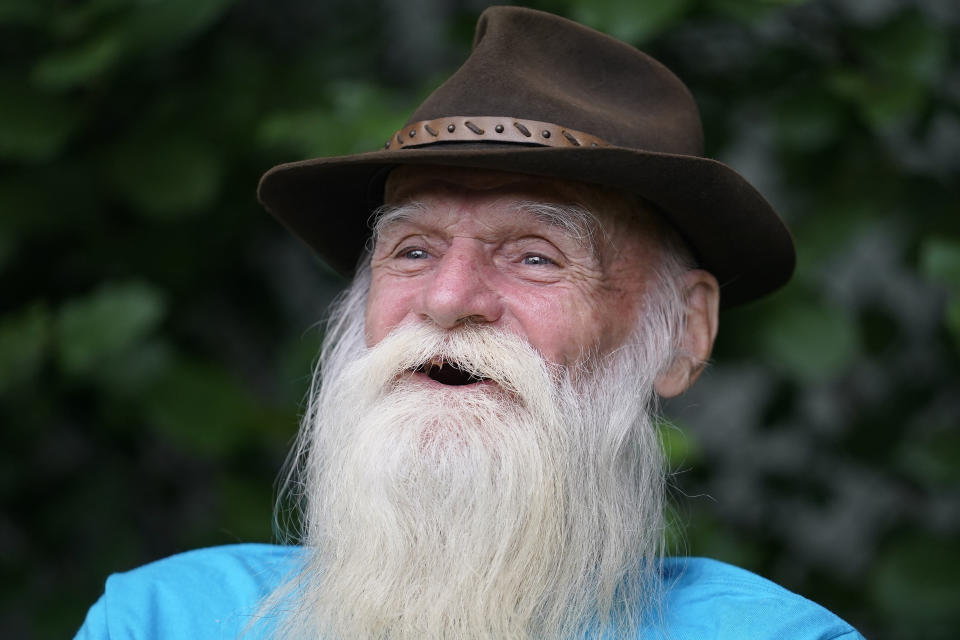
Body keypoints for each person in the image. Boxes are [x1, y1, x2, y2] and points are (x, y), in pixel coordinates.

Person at [76, 6, 865, 639]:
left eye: (535, 257)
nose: (450, 299)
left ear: (683, 332)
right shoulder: (159, 621)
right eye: (412, 250)